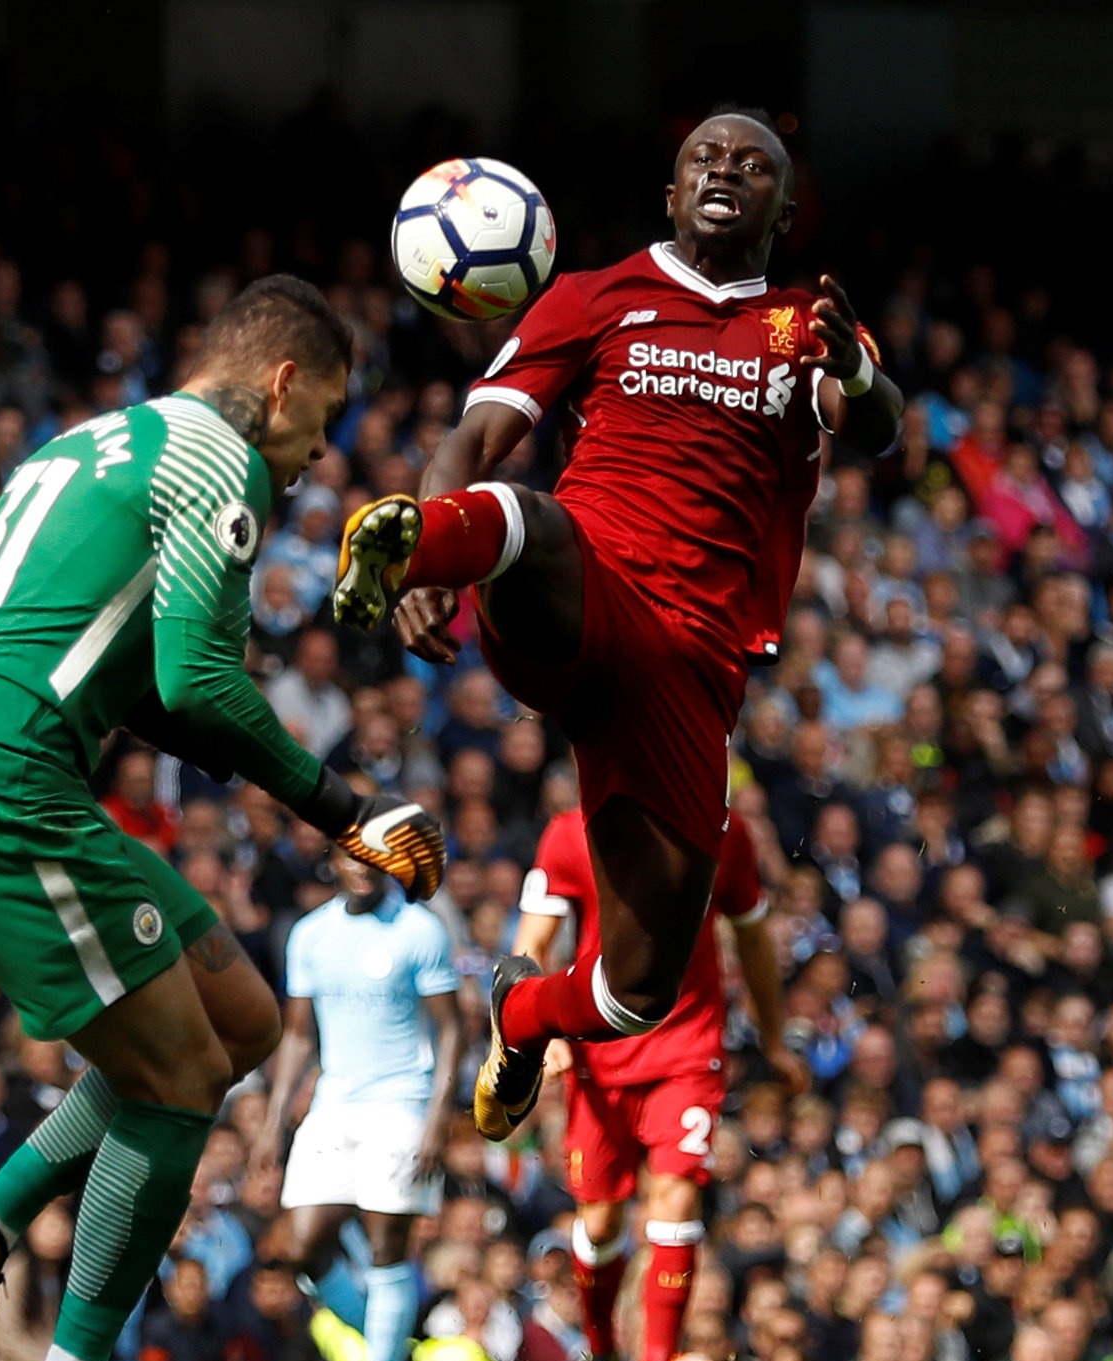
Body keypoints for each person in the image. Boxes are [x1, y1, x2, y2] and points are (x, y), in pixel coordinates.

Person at [0, 275, 446, 1361]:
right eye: (321, 421)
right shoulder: (216, 462)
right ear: (279, 383)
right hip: (2, 791)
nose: (315, 456)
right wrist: (345, 810)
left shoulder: (76, 446)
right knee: (179, 1078)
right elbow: (195, 680)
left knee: (239, 1022)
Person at [331, 110, 901, 1140]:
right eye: (704, 160)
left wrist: (856, 374)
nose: (726, 170)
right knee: (534, 520)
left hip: (690, 665)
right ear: (671, 196)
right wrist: (429, 555)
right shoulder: (594, 298)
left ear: (782, 206)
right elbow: (478, 436)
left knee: (639, 987)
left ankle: (524, 1010)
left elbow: (875, 424)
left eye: (752, 164)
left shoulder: (804, 320)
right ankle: (411, 550)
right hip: (581, 593)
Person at [515, 801, 784, 1361]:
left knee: (675, 1195)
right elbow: (531, 942)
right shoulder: (570, 833)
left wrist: (774, 1036)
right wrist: (541, 1029)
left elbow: (754, 938)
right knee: (600, 1220)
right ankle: (604, 1356)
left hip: (687, 1050)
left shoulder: (723, 829)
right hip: (597, 1052)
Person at [261, 848, 462, 1361]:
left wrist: (435, 1120)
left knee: (385, 1247)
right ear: (333, 861)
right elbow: (299, 1034)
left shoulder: (420, 929)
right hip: (334, 1103)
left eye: (375, 856)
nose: (363, 866)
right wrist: (273, 1119)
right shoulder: (311, 934)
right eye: (352, 856)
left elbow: (450, 1030)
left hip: (401, 1103)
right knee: (298, 1246)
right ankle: (393, 1344)